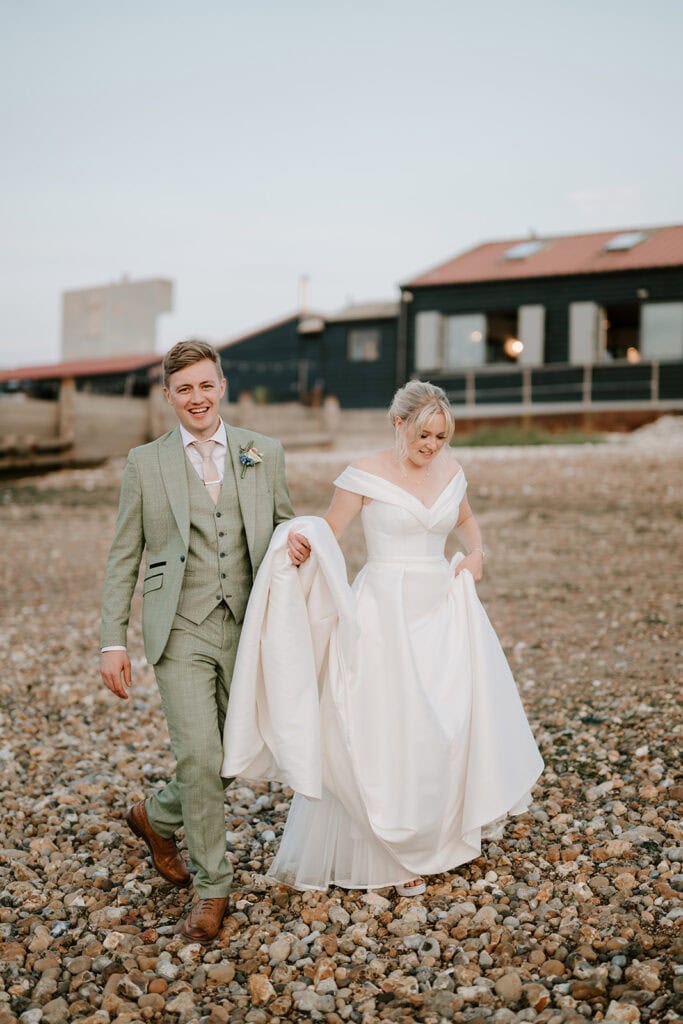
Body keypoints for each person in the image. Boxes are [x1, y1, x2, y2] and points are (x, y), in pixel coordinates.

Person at [222, 380, 544, 895]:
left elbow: (466, 521)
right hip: (382, 611)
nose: (432, 446)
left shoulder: (451, 472)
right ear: (399, 424)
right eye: (423, 435)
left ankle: (434, 835)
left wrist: (478, 553)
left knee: (444, 721)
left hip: (440, 608)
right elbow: (331, 528)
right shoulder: (364, 474)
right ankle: (386, 847)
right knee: (379, 725)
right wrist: (303, 545)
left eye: (440, 437)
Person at [100, 340, 308, 942]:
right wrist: (111, 641)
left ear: (222, 386)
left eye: (205, 385)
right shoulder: (145, 462)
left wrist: (295, 543)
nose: (196, 397)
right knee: (199, 756)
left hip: (248, 625)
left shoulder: (261, 452)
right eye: (183, 388)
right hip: (179, 626)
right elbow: (123, 555)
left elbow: (283, 525)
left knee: (236, 752)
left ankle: (155, 815)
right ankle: (212, 889)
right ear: (168, 396)